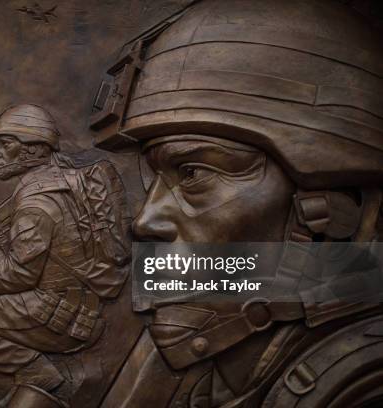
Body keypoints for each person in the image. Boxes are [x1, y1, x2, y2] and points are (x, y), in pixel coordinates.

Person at [89, 0, 383, 406]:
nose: (145, 220)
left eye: (193, 173)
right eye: (155, 179)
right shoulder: (200, 367)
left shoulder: (356, 386)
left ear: (335, 207)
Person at [0, 104, 127, 408]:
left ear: (34, 151)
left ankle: (35, 372)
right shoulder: (66, 179)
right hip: (78, 306)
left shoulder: (36, 204)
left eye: (6, 145)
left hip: (56, 316)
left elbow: (19, 274)